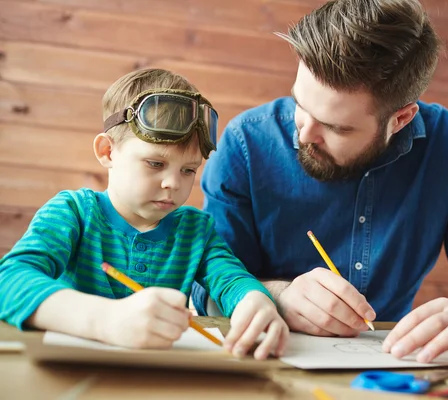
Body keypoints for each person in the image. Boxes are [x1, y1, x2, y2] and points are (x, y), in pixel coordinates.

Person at [192, 0, 448, 368]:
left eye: (336, 127)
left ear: (400, 118)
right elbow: (205, 285)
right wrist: (276, 295)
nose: (303, 134)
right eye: (300, 103)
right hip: (263, 363)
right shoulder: (245, 142)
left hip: (391, 367)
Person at [0, 68, 288, 360]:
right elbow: (10, 280)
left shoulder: (195, 231)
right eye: (154, 163)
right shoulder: (73, 212)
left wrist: (256, 301)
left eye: (188, 170)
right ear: (108, 152)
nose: (174, 183)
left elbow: (231, 280)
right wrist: (106, 320)